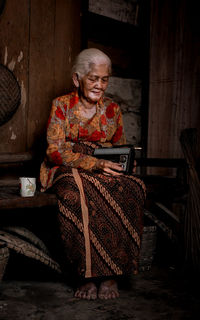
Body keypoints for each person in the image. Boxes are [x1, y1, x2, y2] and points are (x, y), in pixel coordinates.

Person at [40, 48, 146, 300]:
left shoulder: (113, 109)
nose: (100, 85)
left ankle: (111, 274)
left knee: (131, 187)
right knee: (76, 190)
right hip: (68, 166)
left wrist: (125, 162)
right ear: (77, 79)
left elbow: (120, 144)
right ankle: (86, 275)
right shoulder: (61, 105)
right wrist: (92, 163)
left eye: (104, 79)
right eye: (93, 78)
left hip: (103, 166)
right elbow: (54, 151)